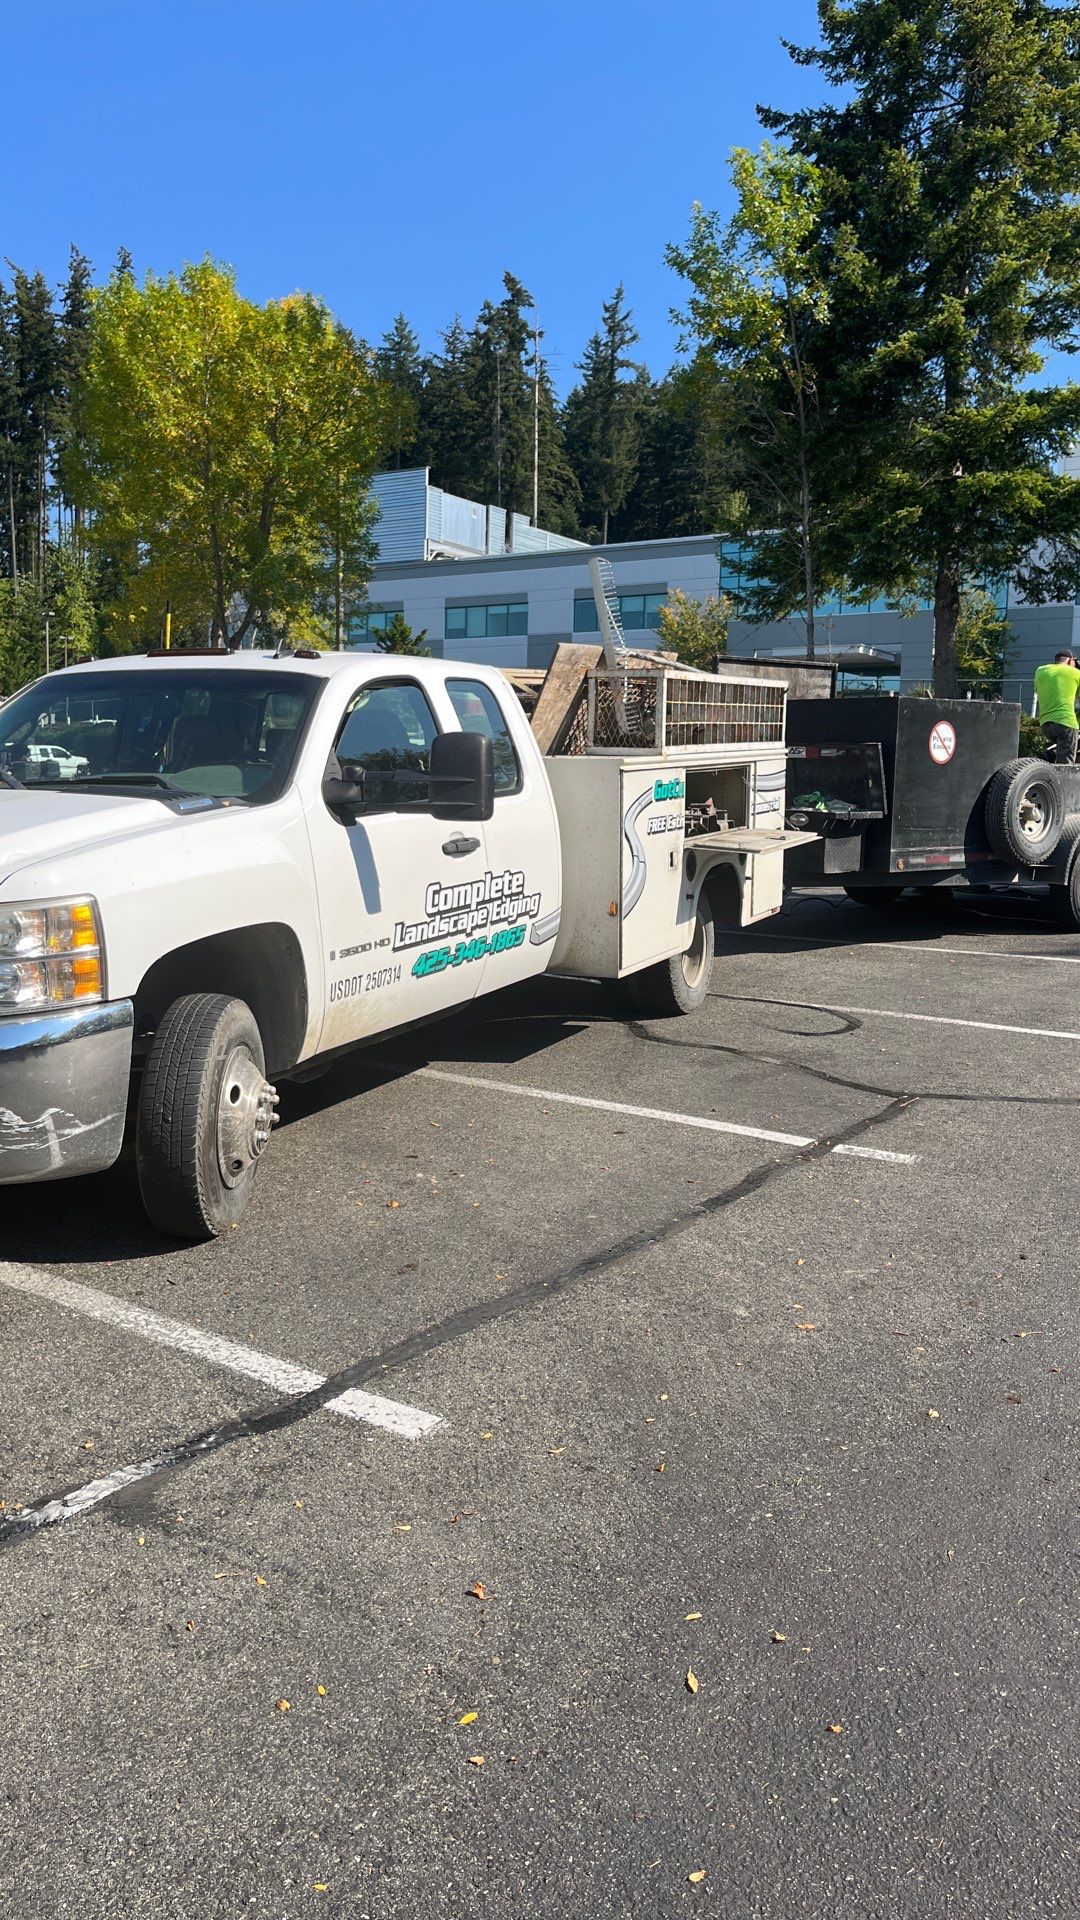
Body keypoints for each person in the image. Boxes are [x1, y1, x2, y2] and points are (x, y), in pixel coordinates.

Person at [1033, 649, 1080, 762]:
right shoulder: (1076, 673)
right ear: (1071, 660)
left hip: (1045, 725)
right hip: (1065, 723)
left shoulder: (1040, 671)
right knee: (1065, 764)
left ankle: (1048, 759)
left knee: (1062, 750)